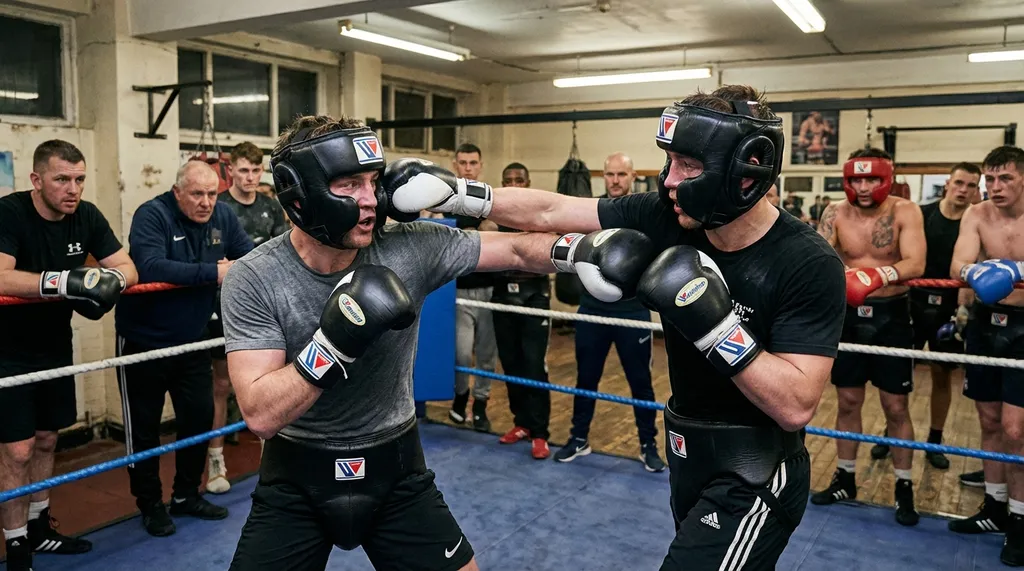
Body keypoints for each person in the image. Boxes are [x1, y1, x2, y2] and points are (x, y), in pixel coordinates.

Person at [385, 85, 846, 571]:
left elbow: (796, 404)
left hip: (756, 469)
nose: (670, 180)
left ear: (743, 171)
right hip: (687, 451)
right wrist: (463, 195)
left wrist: (715, 327)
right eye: (669, 163)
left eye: (689, 166)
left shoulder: (806, 262)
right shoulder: (670, 216)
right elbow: (552, 212)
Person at [222, 115, 657, 571]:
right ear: (301, 194)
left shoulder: (408, 247)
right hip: (295, 479)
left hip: (396, 470)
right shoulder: (256, 277)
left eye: (374, 181)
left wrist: (578, 252)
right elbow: (260, 414)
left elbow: (512, 249)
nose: (372, 200)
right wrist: (333, 343)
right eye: (350, 185)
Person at [0, 140, 138, 571]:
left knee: (47, 440)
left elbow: (129, 267)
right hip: (7, 350)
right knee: (17, 451)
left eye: (79, 179)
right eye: (62, 179)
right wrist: (61, 282)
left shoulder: (87, 216)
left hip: (55, 345)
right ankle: (17, 547)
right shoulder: (9, 213)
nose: (72, 189)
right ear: (37, 180)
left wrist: (108, 279)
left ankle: (40, 530)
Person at [114, 160, 253, 537]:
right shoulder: (153, 215)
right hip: (145, 341)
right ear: (178, 192)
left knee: (198, 416)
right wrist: (214, 271)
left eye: (211, 193)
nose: (206, 202)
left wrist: (225, 268)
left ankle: (186, 495)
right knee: (144, 429)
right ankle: (150, 504)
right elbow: (150, 266)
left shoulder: (222, 215)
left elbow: (250, 256)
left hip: (192, 339)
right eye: (197, 194)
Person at [811, 148, 925, 526]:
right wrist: (842, 276)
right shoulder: (834, 212)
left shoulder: (904, 211)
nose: (862, 187)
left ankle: (903, 485)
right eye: (856, 179)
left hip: (891, 317)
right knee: (847, 400)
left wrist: (877, 276)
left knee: (895, 406)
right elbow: (819, 257)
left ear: (886, 178)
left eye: (871, 179)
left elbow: (915, 263)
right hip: (847, 317)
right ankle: (845, 477)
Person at [553, 152, 666, 473]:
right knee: (585, 379)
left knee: (640, 383)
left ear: (632, 176)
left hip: (632, 313)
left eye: (621, 174)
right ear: (603, 176)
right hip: (591, 311)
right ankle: (578, 438)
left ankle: (648, 444)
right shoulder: (592, 213)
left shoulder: (646, 214)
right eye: (610, 174)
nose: (615, 180)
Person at [870, 163, 981, 472]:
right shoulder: (922, 214)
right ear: (948, 183)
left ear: (976, 189)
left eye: (971, 185)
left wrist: (965, 306)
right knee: (898, 374)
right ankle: (891, 432)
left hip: (951, 308)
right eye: (959, 182)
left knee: (942, 375)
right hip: (912, 304)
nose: (963, 190)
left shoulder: (976, 221)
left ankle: (935, 439)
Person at [950, 146, 1024, 561]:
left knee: (1017, 430)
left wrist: (1017, 269)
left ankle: (1020, 519)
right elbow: (957, 263)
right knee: (990, 420)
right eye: (989, 180)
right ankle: (994, 507)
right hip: (985, 323)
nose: (994, 188)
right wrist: (975, 271)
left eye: (1005, 179)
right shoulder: (976, 214)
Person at [206, 142, 290, 494]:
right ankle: (215, 462)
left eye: (256, 171)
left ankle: (272, 460)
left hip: (269, 306)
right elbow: (214, 259)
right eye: (244, 170)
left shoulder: (271, 207)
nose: (251, 177)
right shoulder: (218, 207)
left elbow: (284, 255)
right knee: (221, 386)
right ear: (231, 171)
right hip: (223, 305)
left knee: (275, 382)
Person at [489, 162, 554, 459]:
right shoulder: (493, 217)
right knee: (511, 363)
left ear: (527, 184)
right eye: (507, 180)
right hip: (502, 294)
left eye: (518, 180)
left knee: (533, 363)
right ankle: (522, 423)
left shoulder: (540, 215)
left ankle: (540, 433)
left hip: (534, 296)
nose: (513, 184)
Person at [446, 142, 497, 432]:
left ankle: (480, 405)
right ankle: (460, 397)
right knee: (462, 353)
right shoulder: (447, 197)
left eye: (473, 163)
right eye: (463, 162)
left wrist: (466, 233)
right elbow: (442, 230)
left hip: (490, 291)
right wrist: (472, 231)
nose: (468, 167)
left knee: (487, 354)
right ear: (456, 165)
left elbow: (492, 230)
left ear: (480, 165)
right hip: (460, 290)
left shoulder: (490, 198)